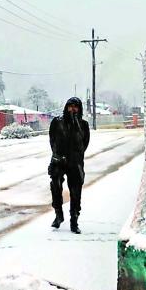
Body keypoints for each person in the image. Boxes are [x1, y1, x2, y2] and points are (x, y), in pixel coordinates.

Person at [48, 97, 90, 233]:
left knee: (76, 192)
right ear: (66, 107)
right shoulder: (57, 122)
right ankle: (58, 215)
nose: (73, 109)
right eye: (70, 106)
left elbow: (85, 143)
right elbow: (52, 139)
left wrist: (75, 156)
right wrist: (57, 154)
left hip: (75, 163)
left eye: (75, 106)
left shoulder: (83, 125)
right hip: (58, 161)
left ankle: (74, 220)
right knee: (55, 187)